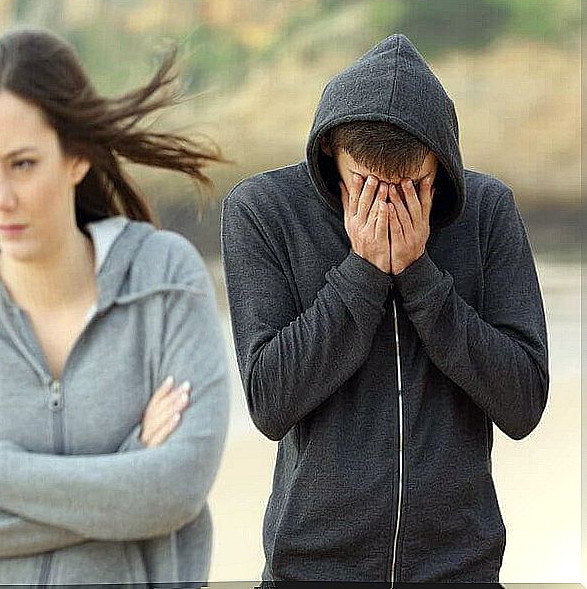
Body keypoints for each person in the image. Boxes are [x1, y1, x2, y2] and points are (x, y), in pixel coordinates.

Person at [0, 27, 230, 586]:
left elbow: (175, 490)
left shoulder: (165, 279)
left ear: (77, 158)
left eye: (21, 164)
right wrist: (124, 471)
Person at [220, 33, 548, 583]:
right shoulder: (262, 212)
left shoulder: (487, 211)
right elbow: (270, 401)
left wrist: (420, 277)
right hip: (310, 571)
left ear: (441, 164)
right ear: (330, 153)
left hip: (461, 569)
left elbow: (523, 404)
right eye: (368, 185)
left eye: (414, 186)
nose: (390, 206)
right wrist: (364, 272)